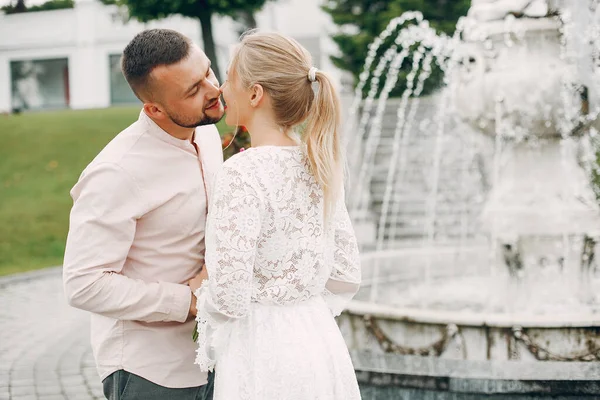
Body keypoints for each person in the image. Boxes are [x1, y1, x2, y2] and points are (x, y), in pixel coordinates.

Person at [188, 31, 362, 399]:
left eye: (230, 79)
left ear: (255, 93)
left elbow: (229, 296)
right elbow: (345, 273)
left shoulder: (242, 172)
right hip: (318, 341)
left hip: (262, 350)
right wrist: (298, 301)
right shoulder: (320, 165)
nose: (221, 89)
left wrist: (201, 296)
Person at [62, 29, 223, 399]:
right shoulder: (116, 172)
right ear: (154, 109)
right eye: (193, 90)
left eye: (208, 73)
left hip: (215, 356)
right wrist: (188, 302)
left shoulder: (206, 133)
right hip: (150, 372)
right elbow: (83, 284)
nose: (213, 89)